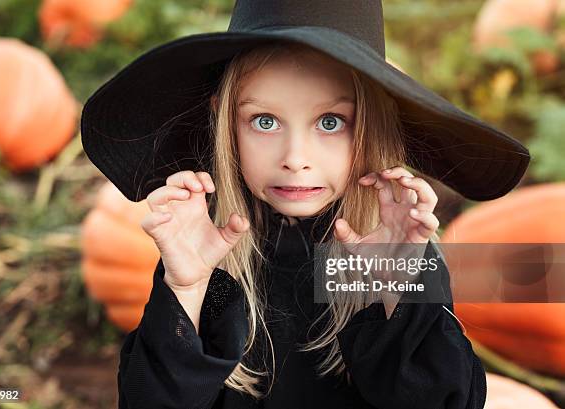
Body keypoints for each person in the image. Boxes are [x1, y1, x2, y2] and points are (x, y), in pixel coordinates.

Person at [80, 1, 530, 408]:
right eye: (265, 121)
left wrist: (394, 288)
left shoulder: (399, 252)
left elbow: (442, 401)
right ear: (225, 119)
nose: (296, 159)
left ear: (372, 127)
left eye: (330, 122)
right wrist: (186, 289)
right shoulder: (215, 256)